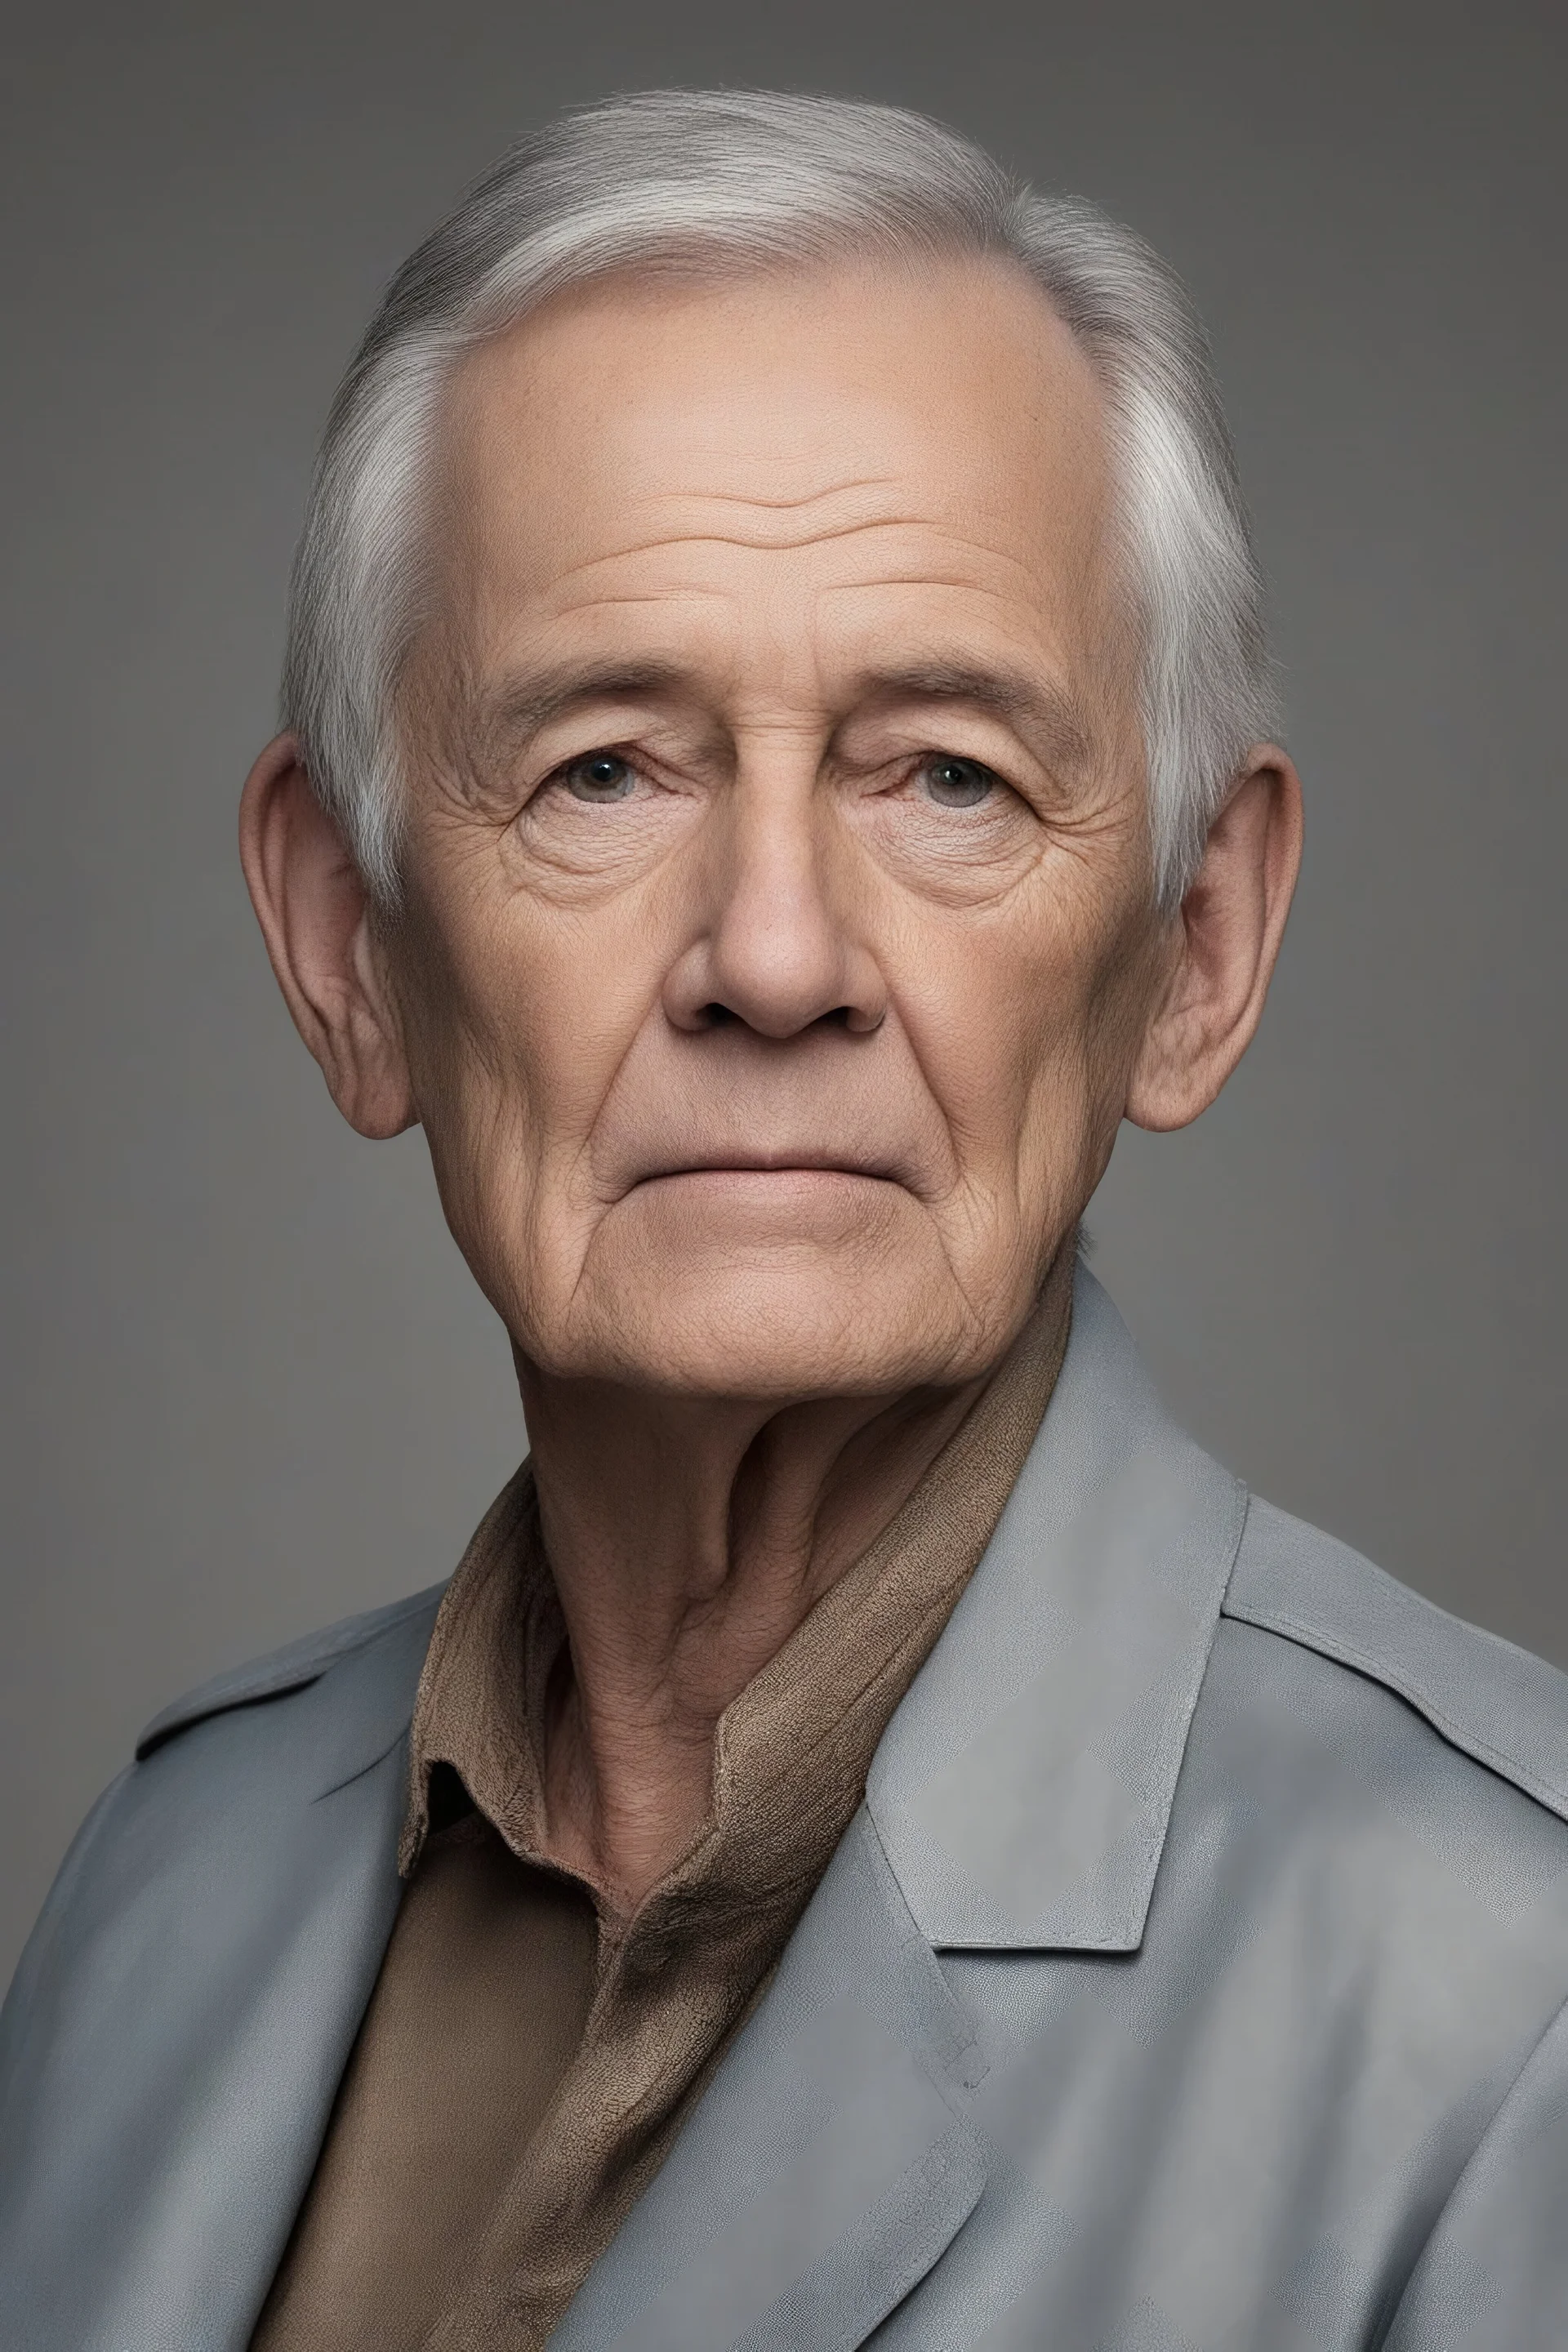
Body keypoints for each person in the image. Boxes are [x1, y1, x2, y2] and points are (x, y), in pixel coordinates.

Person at [3, 87, 1566, 2352]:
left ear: (1196, 945)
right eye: (603, 769)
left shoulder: (1512, 1999)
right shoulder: (165, 1883)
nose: (773, 955)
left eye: (948, 773)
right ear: (351, 952)